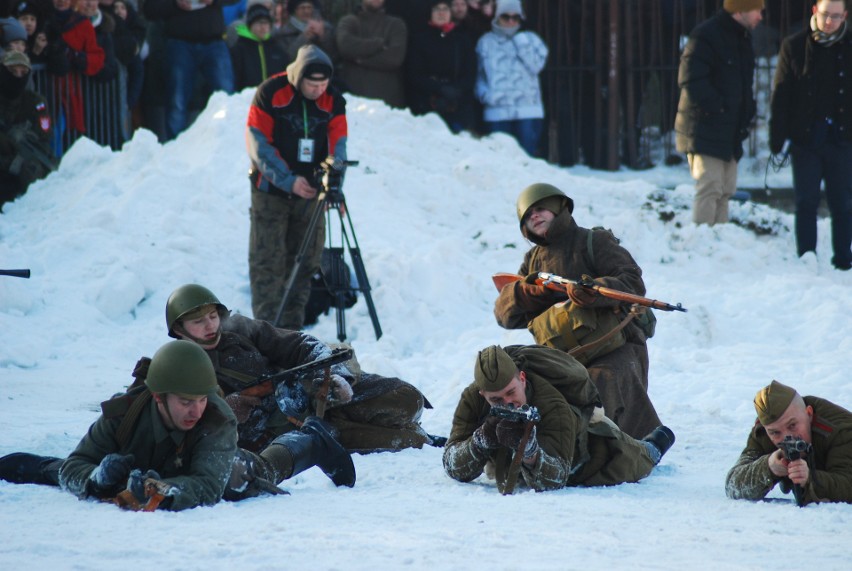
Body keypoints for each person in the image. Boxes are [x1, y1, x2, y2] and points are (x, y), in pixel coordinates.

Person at [162, 283, 436, 456]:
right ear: (179, 330)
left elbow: (300, 343)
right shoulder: (178, 365)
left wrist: (337, 376)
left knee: (408, 397)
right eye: (199, 322)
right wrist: (224, 409)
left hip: (314, 389)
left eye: (213, 316)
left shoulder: (240, 329)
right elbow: (178, 421)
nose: (211, 326)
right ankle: (415, 433)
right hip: (291, 431)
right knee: (410, 440)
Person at [493, 183, 662, 439]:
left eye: (540, 209)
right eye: (528, 215)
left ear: (559, 207)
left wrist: (593, 291)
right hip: (562, 355)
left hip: (614, 346)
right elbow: (505, 315)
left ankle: (634, 450)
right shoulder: (532, 262)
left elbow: (633, 282)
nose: (534, 216)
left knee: (600, 384)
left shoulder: (594, 241)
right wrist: (532, 292)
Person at [0, 340, 240, 511]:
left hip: (215, 468)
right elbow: (75, 465)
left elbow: (209, 487)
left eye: (201, 399)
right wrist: (97, 478)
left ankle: (280, 448)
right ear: (158, 397)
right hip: (134, 473)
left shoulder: (217, 419)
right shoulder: (124, 413)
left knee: (244, 474)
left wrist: (159, 490)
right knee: (84, 476)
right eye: (186, 401)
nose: (196, 410)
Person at [443, 345, 674, 492]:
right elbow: (452, 465)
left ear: (522, 379)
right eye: (496, 399)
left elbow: (556, 479)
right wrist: (479, 442)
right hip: (518, 457)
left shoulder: (552, 404)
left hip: (584, 449)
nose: (507, 403)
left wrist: (530, 452)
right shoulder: (472, 399)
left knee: (631, 457)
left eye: (511, 392)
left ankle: (654, 445)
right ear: (482, 394)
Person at [245, 44, 345, 329]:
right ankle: (266, 331)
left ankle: (292, 332)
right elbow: (258, 144)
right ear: (299, 78)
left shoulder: (334, 100)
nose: (318, 90)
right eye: (312, 83)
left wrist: (333, 182)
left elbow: (339, 145)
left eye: (323, 83)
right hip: (270, 191)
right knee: (267, 261)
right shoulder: (270, 92)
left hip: (312, 193)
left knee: (305, 262)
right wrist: (289, 180)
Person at [769, 0, 852, 271]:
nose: (830, 22)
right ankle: (807, 256)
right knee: (806, 201)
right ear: (815, 11)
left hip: (842, 138)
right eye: (826, 15)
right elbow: (781, 95)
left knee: (843, 201)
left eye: (837, 17)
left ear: (845, 17)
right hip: (806, 139)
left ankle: (843, 258)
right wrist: (777, 138)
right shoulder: (794, 46)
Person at [675, 0, 763, 226]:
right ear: (741, 9)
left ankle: (718, 244)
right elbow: (691, 80)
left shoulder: (742, 38)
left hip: (729, 130)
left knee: (725, 190)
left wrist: (746, 111)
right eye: (757, 10)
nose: (761, 16)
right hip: (705, 127)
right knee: (710, 187)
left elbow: (742, 85)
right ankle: (703, 244)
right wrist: (719, 108)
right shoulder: (706, 35)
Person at [725, 380, 852, 505]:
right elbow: (733, 485)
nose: (786, 437)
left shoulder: (840, 431)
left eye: (792, 425)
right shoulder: (764, 434)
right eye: (775, 432)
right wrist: (768, 467)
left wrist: (810, 479)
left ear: (809, 414)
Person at [144, 0, 235, 140]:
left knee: (226, 96)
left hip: (214, 40)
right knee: (177, 102)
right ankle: (174, 149)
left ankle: (230, 141)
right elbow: (150, 9)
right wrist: (175, 3)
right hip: (179, 41)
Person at [475, 0, 548, 157]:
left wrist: (521, 44)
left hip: (527, 111)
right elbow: (478, 75)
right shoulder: (485, 42)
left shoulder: (531, 39)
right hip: (497, 111)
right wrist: (485, 95)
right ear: (497, 17)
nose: (510, 21)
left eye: (515, 18)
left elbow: (536, 66)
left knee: (527, 160)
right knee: (500, 160)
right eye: (505, 17)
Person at [405, 0, 477, 133]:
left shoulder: (462, 41)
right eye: (437, 9)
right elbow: (414, 75)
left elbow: (470, 73)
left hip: (457, 103)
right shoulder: (419, 40)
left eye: (445, 9)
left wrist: (456, 91)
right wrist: (439, 89)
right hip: (427, 103)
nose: (441, 13)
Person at [0, 50, 56, 211]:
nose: (18, 76)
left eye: (23, 72)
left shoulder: (35, 102)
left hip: (22, 169)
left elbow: (44, 139)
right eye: (12, 71)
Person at [335, 0, 408, 109]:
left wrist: (360, 59)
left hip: (388, 104)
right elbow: (345, 46)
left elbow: (394, 59)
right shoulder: (348, 21)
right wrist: (379, 44)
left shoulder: (396, 24)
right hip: (353, 101)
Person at [229, 2, 289, 91]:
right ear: (250, 25)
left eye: (266, 23)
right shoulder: (239, 49)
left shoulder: (277, 48)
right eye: (259, 23)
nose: (263, 27)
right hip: (246, 98)